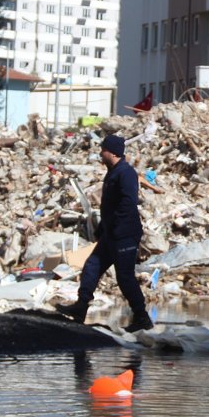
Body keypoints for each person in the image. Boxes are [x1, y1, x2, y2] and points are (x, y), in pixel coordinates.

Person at [56, 134, 153, 332]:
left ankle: (142, 317)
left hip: (124, 234)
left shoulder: (126, 173)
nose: (101, 153)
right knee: (92, 265)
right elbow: (109, 205)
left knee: (124, 277)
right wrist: (103, 227)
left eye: (103, 150)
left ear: (113, 152)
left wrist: (115, 226)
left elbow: (128, 202)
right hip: (111, 233)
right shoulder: (112, 172)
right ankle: (81, 307)